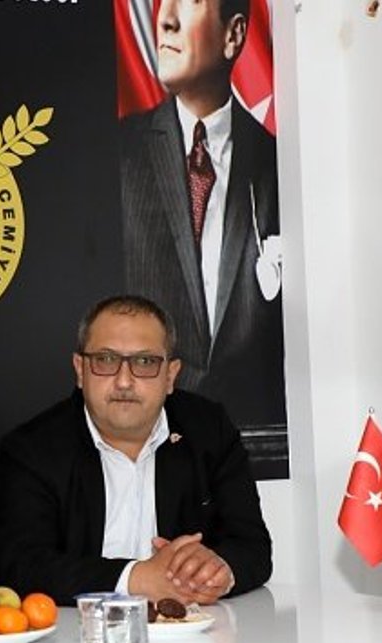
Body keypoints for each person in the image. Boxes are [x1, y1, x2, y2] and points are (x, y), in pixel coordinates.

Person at [0, 295, 271, 605]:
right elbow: (22, 565)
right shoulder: (33, 448)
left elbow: (252, 547)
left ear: (171, 375)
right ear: (80, 370)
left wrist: (217, 570)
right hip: (76, 630)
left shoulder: (209, 431)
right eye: (106, 359)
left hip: (189, 629)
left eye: (145, 362)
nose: (124, 381)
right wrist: (137, 579)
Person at [118, 0, 286, 462]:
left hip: (259, 450)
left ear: (234, 35)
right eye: (161, 3)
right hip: (144, 448)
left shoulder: (279, 164)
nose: (165, 19)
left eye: (189, 2)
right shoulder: (118, 156)